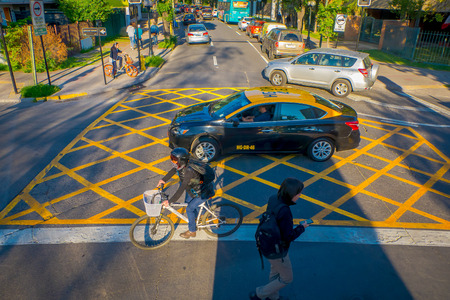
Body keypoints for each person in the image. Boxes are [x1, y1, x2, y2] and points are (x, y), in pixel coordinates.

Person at [249, 178, 310, 300]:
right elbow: (288, 236)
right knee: (287, 278)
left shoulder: (273, 198)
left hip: (266, 244)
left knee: (275, 272)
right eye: (299, 193)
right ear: (292, 194)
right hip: (277, 251)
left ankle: (273, 298)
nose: (300, 195)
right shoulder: (285, 211)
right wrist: (302, 227)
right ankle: (260, 294)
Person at [157, 147, 215, 239]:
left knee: (189, 209)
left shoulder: (189, 171)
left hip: (203, 192)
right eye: (172, 158)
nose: (172, 161)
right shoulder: (182, 165)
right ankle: (200, 216)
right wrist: (163, 180)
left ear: (182, 160)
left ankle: (192, 231)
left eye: (175, 160)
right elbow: (174, 170)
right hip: (193, 189)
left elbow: (181, 188)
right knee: (189, 203)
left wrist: (170, 201)